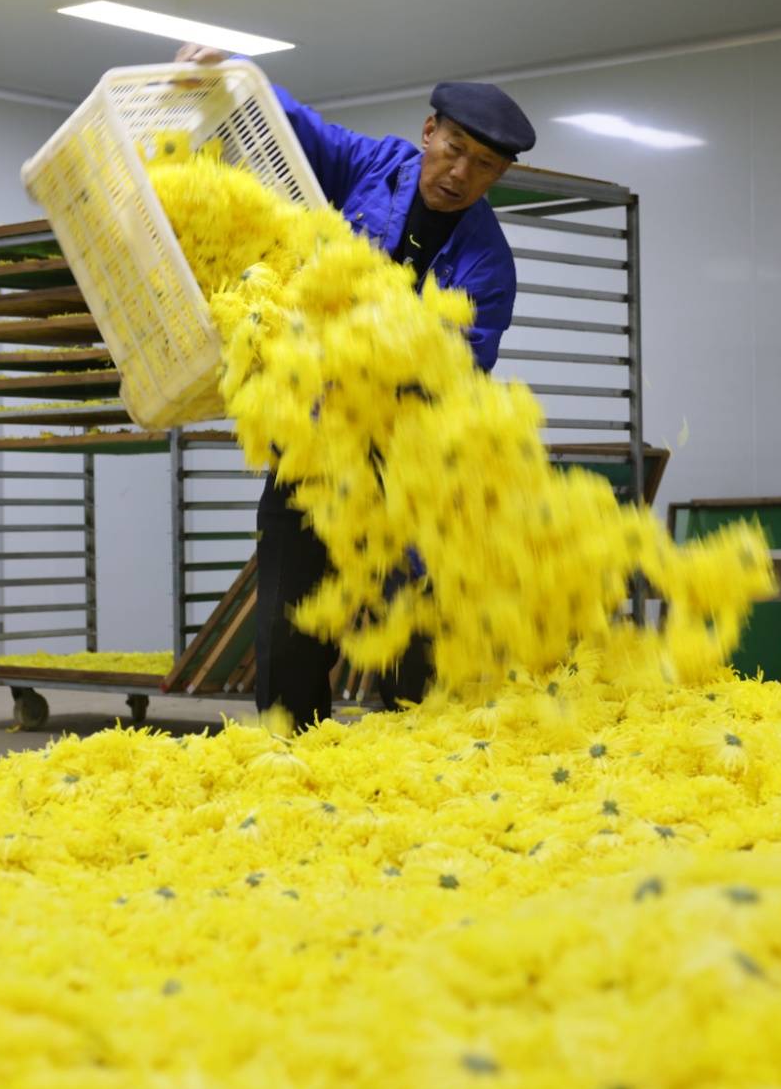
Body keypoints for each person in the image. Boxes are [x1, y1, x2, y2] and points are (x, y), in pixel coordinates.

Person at [174, 44, 536, 727]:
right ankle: (292, 746)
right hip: (313, 442)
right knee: (291, 609)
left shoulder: (487, 267)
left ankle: (415, 748)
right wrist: (226, 74)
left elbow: (457, 375)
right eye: (452, 149)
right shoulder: (372, 166)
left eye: (483, 165)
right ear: (427, 132)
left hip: (407, 460)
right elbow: (294, 126)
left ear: (500, 174)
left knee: (414, 620)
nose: (459, 174)